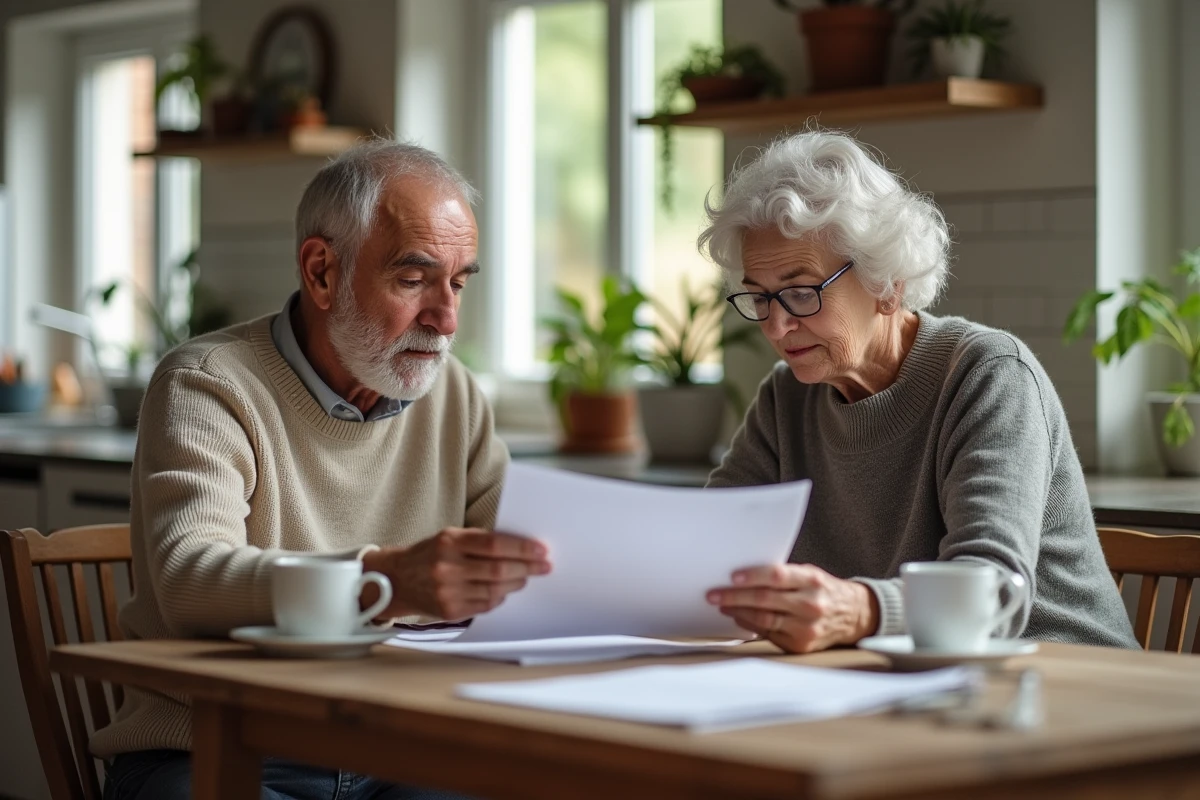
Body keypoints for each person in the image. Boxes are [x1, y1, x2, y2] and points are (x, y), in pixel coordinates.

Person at [94, 139, 551, 799]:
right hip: (222, 747)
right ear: (322, 272)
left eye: (458, 281)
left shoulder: (452, 393)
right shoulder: (207, 385)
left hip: (400, 745)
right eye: (414, 278)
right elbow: (190, 581)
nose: (446, 318)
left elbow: (529, 554)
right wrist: (387, 581)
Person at [700, 130, 1137, 654]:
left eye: (799, 292)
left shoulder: (989, 375)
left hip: (1065, 681)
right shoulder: (786, 400)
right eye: (759, 297)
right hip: (909, 683)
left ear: (887, 285)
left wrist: (861, 610)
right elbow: (708, 546)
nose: (775, 327)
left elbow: (994, 590)